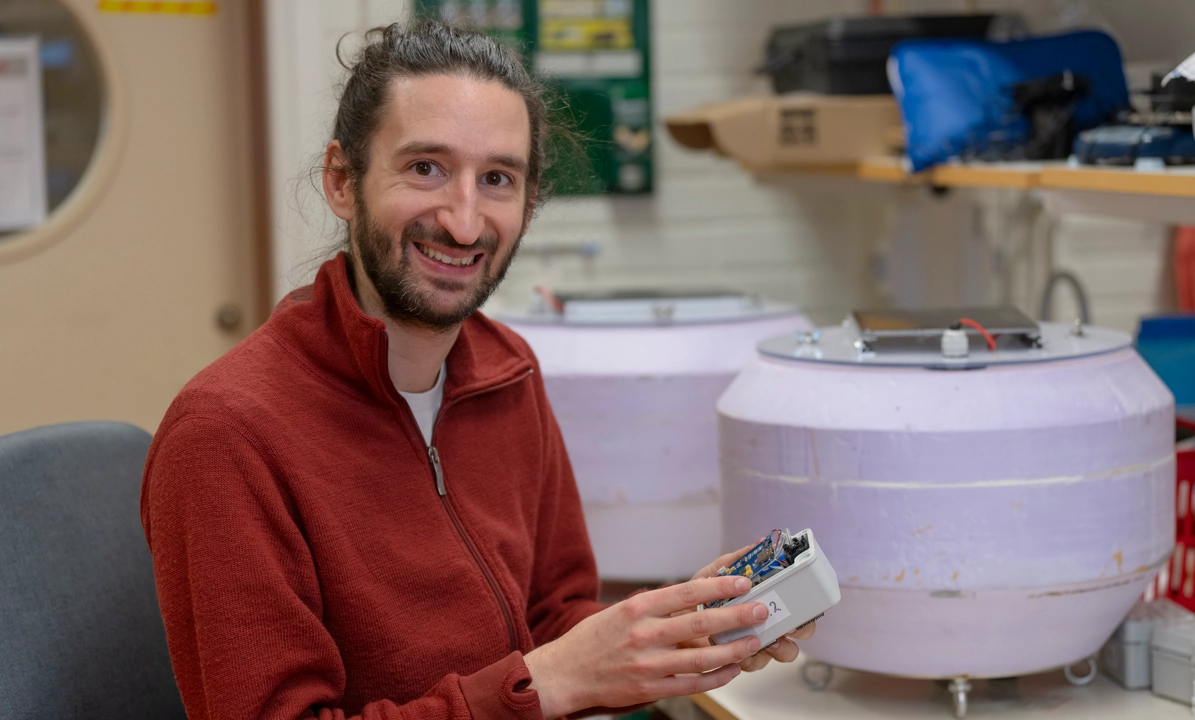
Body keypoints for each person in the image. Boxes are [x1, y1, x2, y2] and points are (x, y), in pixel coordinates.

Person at [141, 19, 815, 720]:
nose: (464, 223)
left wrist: (666, 635)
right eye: (425, 168)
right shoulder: (227, 434)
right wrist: (541, 687)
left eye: (496, 179)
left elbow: (553, 616)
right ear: (343, 182)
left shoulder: (507, 370)